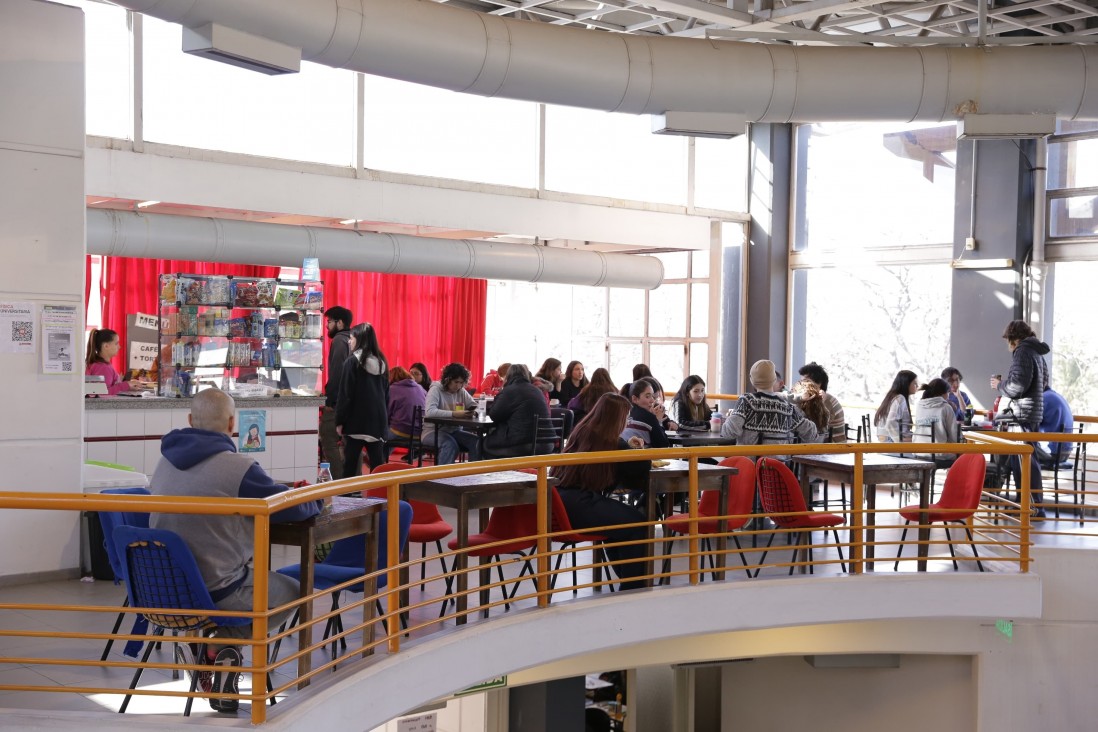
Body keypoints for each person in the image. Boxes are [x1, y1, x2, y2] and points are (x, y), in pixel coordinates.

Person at [148, 388, 321, 713]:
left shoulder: (164, 462)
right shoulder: (239, 468)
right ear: (232, 424)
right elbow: (294, 509)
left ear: (189, 420)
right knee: (298, 591)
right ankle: (222, 641)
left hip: (162, 587)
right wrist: (316, 497)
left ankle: (215, 648)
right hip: (217, 588)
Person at [550, 393, 650, 592]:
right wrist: (637, 450)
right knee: (639, 525)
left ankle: (631, 581)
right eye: (626, 418)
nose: (627, 423)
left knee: (620, 522)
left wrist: (628, 448)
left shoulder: (584, 430)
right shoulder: (610, 441)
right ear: (617, 418)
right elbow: (643, 467)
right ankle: (634, 588)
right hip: (580, 504)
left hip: (560, 502)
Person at [991, 320, 1050, 519]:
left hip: (1020, 415)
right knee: (1026, 461)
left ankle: (1031, 507)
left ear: (1013, 338)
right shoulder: (1037, 353)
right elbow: (1044, 384)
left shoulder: (1023, 352)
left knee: (1023, 462)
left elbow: (1016, 387)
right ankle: (1027, 504)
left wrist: (999, 385)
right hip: (1031, 413)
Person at [721, 360, 818, 452]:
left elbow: (730, 433)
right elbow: (811, 433)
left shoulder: (747, 401)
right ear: (774, 379)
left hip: (749, 467)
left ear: (752, 380)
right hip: (779, 467)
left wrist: (730, 418)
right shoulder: (787, 407)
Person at [336, 323, 389, 477]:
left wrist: (340, 421)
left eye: (351, 338)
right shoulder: (382, 362)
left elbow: (345, 395)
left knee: (350, 466)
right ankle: (380, 497)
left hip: (355, 422)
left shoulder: (352, 362)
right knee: (378, 467)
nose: (349, 342)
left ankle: (348, 498)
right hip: (378, 422)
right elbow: (386, 396)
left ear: (358, 340)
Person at [484, 364, 550, 457]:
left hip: (523, 445)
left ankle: (482, 471)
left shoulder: (509, 391)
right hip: (547, 444)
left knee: (484, 443)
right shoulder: (537, 390)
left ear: (508, 376)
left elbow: (494, 415)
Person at [423, 362, 480, 465]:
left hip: (454, 431)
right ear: (447, 379)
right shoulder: (435, 390)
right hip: (432, 432)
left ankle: (473, 476)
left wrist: (474, 411)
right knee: (450, 445)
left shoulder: (461, 391)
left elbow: (475, 406)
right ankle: (442, 479)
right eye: (456, 382)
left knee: (476, 442)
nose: (458, 386)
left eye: (461, 383)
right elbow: (429, 412)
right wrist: (454, 414)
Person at [321, 305, 353, 480]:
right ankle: (353, 483)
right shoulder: (354, 339)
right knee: (350, 444)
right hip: (352, 403)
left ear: (340, 323)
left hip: (338, 402)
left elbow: (337, 373)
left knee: (328, 438)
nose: (327, 326)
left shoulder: (340, 340)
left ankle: (339, 482)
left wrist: (330, 402)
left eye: (329, 321)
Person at [912, 378, 958, 465]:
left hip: (918, 452)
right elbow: (954, 435)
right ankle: (954, 478)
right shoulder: (945, 407)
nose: (948, 396)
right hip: (938, 454)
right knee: (964, 453)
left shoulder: (919, 405)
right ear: (943, 393)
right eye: (948, 393)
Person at [796, 362, 846, 443]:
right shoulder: (811, 399)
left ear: (819, 384)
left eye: (805, 381)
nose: (802, 385)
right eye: (801, 382)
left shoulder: (827, 401)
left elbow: (817, 428)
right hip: (818, 445)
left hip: (831, 449)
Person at [85, 328, 140, 395]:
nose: (119, 347)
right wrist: (125, 385)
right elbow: (101, 393)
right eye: (116, 343)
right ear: (106, 346)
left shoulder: (100, 364)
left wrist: (128, 386)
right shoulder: (102, 367)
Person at [621, 377, 671, 449]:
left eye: (653, 396)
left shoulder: (624, 413)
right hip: (640, 458)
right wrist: (658, 421)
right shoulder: (649, 417)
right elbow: (663, 444)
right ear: (635, 399)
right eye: (647, 396)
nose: (652, 400)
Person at [874, 370, 919, 443]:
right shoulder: (900, 398)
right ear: (906, 384)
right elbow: (890, 423)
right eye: (914, 383)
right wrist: (899, 442)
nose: (917, 386)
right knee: (927, 440)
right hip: (892, 442)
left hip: (885, 441)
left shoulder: (892, 397)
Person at [386, 365, 426, 442]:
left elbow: (386, 414)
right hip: (420, 434)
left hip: (400, 432)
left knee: (375, 435)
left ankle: (375, 454)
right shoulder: (420, 388)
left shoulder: (392, 389)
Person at [1039, 386, 1074, 468]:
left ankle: (1006, 473)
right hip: (1066, 452)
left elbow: (1033, 424)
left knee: (1022, 449)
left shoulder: (1044, 398)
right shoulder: (1056, 396)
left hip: (1055, 454)